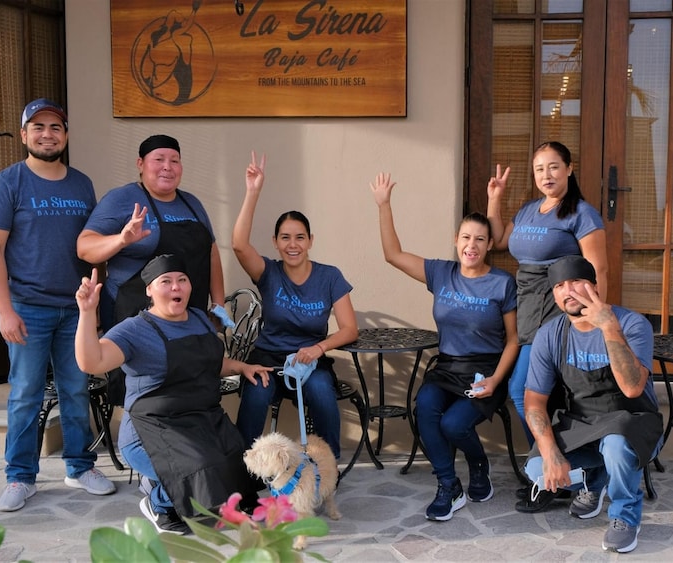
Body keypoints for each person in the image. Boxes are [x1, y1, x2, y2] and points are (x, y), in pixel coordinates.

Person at [0, 98, 116, 512]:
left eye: (55, 127)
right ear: (24, 135)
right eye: (38, 127)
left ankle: (79, 466)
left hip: (76, 308)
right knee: (26, 393)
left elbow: (92, 245)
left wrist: (94, 304)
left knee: (76, 388)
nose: (47, 134)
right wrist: (4, 310)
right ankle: (20, 476)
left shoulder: (81, 184)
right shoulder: (7, 183)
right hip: (28, 308)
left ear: (66, 135)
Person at [74, 254, 270, 535]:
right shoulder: (135, 330)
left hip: (200, 421)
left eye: (182, 280)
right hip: (152, 430)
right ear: (149, 290)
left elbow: (209, 363)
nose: (176, 286)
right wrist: (86, 312)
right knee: (201, 469)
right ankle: (159, 502)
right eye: (165, 281)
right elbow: (91, 362)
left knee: (237, 462)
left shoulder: (200, 319)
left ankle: (165, 485)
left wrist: (242, 367)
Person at [370, 172, 519, 521]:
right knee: (425, 407)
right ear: (456, 240)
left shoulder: (502, 283)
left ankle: (478, 464)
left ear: (489, 245)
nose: (472, 245)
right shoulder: (441, 273)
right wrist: (384, 205)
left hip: (487, 369)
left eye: (480, 239)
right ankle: (449, 485)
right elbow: (393, 254)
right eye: (466, 237)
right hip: (449, 367)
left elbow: (514, 339)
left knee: (453, 425)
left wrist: (496, 380)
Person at [517, 255, 662, 554]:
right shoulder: (550, 335)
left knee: (616, 445)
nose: (568, 291)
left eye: (576, 281)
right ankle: (595, 481)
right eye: (559, 285)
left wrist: (609, 327)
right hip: (582, 424)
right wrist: (551, 453)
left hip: (633, 420)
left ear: (595, 286)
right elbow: (534, 402)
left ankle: (625, 515)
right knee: (537, 469)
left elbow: (633, 388)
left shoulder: (632, 323)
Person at [232, 152, 359, 459]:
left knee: (322, 392)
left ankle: (327, 466)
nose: (293, 245)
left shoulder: (329, 276)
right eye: (285, 238)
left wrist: (318, 348)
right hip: (268, 358)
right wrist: (252, 192)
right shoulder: (268, 272)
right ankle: (241, 468)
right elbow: (238, 244)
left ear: (310, 240)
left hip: (309, 361)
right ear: (275, 242)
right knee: (256, 396)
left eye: (300, 237)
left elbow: (349, 329)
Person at [487, 141, 609, 447]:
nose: (547, 175)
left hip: (559, 309)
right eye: (539, 169)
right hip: (528, 307)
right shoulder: (529, 209)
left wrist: (593, 319)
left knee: (522, 390)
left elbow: (598, 270)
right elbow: (499, 241)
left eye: (554, 167)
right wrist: (495, 198)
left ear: (569, 169)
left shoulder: (582, 213)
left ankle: (547, 460)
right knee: (539, 393)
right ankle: (553, 460)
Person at [77, 134, 225, 331]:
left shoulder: (192, 203)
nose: (167, 167)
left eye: (175, 161)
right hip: (132, 315)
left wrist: (218, 305)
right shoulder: (121, 199)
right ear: (140, 164)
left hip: (190, 315)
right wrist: (121, 240)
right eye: (159, 159)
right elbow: (84, 247)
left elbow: (211, 253)